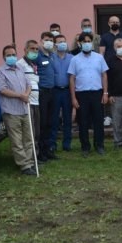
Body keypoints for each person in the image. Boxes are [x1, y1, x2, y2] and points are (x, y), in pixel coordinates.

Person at [0, 45, 38, 176]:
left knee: (29, 138)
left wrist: (26, 93)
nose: (11, 57)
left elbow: (29, 84)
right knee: (17, 140)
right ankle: (24, 166)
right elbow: (2, 89)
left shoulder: (20, 69)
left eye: (13, 54)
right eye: (8, 55)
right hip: (11, 111)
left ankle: (30, 162)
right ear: (4, 57)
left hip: (24, 109)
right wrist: (20, 96)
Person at [69, 33, 109, 156]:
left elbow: (104, 75)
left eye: (89, 41)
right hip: (81, 95)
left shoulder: (99, 57)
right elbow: (72, 78)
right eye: (84, 41)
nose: (87, 43)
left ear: (91, 42)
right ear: (80, 43)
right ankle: (85, 147)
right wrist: (73, 97)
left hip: (97, 93)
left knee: (98, 121)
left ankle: (99, 145)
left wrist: (105, 93)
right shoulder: (74, 59)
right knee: (83, 122)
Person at [36, 32, 58, 162]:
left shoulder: (52, 55)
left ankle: (48, 149)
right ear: (41, 41)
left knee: (50, 122)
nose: (49, 42)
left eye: (51, 40)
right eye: (46, 40)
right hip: (42, 92)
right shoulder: (37, 56)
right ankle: (41, 152)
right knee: (42, 123)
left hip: (52, 91)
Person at [16, 40, 40, 155]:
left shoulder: (33, 64)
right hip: (27, 102)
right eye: (32, 48)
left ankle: (35, 154)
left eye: (36, 49)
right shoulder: (20, 64)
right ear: (25, 50)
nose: (35, 51)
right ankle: (30, 156)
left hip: (36, 101)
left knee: (36, 130)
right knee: (30, 131)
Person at [51, 34, 74, 151]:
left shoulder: (72, 58)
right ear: (55, 45)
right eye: (60, 42)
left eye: (64, 41)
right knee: (54, 118)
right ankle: (52, 144)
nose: (63, 44)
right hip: (55, 91)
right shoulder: (51, 57)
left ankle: (67, 144)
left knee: (67, 118)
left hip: (67, 91)